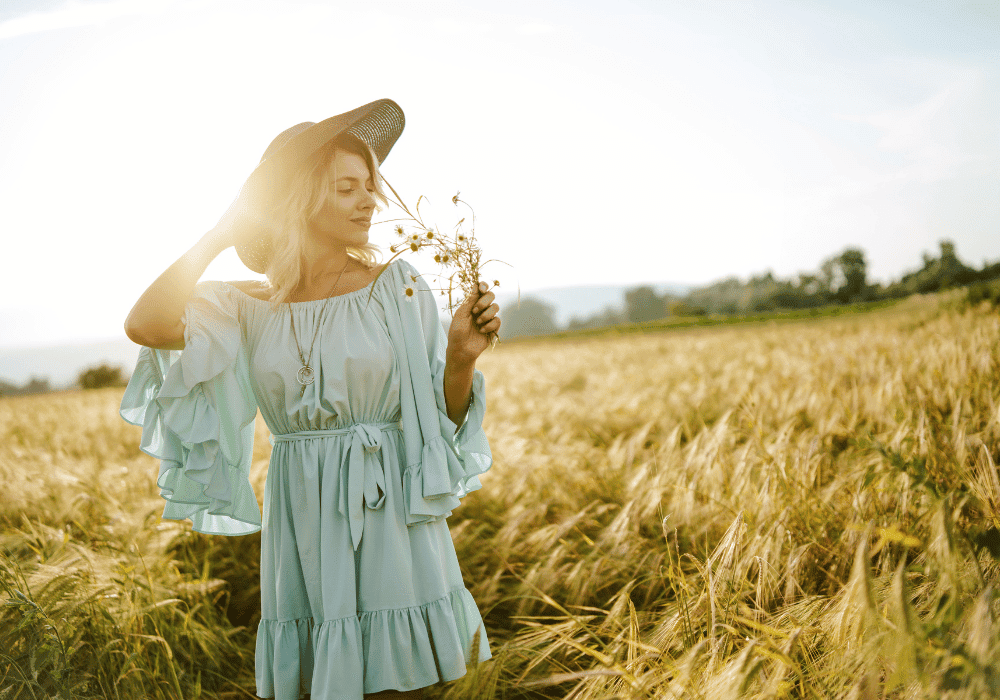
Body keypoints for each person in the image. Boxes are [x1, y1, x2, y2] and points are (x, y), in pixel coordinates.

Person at [119, 99, 501, 700]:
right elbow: (145, 323)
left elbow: (435, 425)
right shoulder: (245, 308)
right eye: (347, 188)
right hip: (303, 518)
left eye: (370, 186)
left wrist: (460, 358)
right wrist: (222, 232)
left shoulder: (395, 287)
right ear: (299, 197)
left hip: (392, 516)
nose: (369, 201)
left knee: (411, 688)